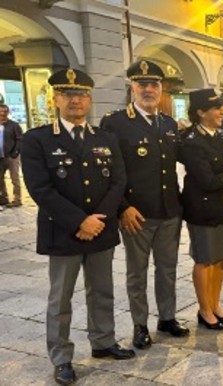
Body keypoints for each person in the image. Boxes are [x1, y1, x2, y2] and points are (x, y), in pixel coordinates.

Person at [22, 68, 134, 385]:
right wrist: (79, 221)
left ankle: (103, 341)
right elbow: (40, 189)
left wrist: (97, 220)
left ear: (90, 99)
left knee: (102, 292)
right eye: (68, 94)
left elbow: (118, 182)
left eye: (82, 94)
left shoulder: (105, 138)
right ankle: (61, 357)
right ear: (55, 98)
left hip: (101, 229)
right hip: (63, 231)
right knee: (61, 298)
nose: (75, 100)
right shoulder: (38, 140)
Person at [100, 60, 189, 350]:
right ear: (132, 87)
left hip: (168, 211)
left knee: (168, 269)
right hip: (136, 214)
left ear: (161, 89)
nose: (148, 89)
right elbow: (109, 171)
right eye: (142, 84)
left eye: (154, 84)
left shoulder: (168, 123)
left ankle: (167, 317)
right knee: (137, 273)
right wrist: (122, 207)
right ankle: (140, 325)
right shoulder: (115, 122)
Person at [181, 89, 223, 330]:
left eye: (221, 107)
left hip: (221, 207)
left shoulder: (218, 136)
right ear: (200, 112)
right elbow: (207, 181)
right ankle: (204, 310)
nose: (221, 112)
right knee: (204, 260)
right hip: (202, 209)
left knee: (219, 259)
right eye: (216, 108)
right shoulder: (192, 142)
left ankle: (215, 305)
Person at [0, 103, 23, 209]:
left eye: (5, 111)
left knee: (15, 178)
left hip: (11, 156)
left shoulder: (14, 125)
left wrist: (16, 152)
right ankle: (4, 198)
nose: (2, 113)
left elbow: (20, 139)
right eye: (1, 111)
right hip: (0, 157)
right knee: (0, 178)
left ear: (8, 112)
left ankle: (17, 199)